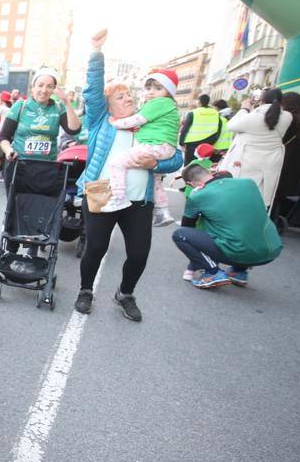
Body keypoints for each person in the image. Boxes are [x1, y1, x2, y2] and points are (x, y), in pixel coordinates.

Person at [72, 29, 184, 321]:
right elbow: (93, 90)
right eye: (120, 97)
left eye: (129, 96)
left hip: (139, 200)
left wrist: (155, 166)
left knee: (138, 253)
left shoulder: (148, 125)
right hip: (101, 192)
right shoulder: (101, 121)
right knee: (95, 247)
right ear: (109, 105)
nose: (129, 100)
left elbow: (176, 157)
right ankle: (86, 290)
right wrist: (96, 52)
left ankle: (125, 293)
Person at [0, 64, 83, 245]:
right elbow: (4, 137)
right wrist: (8, 150)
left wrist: (67, 103)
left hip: (46, 168)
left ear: (54, 89)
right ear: (33, 86)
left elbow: (74, 130)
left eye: (49, 86)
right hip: (19, 166)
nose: (44, 90)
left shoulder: (57, 108)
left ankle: (33, 248)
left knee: (40, 208)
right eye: (40, 85)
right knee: (15, 206)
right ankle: (11, 246)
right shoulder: (20, 106)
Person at [172, 163, 282, 288]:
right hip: (271, 250)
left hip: (240, 252)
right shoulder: (248, 183)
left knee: (180, 235)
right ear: (209, 172)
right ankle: (238, 272)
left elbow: (187, 227)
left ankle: (213, 272)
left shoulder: (198, 195)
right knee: (241, 222)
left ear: (192, 183)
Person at [101, 69, 180, 220]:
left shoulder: (158, 104)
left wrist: (117, 123)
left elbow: (137, 120)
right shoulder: (99, 123)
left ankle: (118, 198)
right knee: (157, 179)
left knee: (117, 162)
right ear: (108, 105)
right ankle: (163, 211)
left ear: (169, 91)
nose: (151, 92)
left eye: (158, 88)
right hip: (163, 147)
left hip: (155, 150)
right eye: (149, 88)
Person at [218, 88, 292, 213]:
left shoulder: (254, 117)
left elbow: (231, 125)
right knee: (260, 195)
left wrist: (244, 109)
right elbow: (271, 116)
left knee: (239, 193)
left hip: (247, 160)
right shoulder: (288, 117)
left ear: (262, 100)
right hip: (270, 162)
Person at [271, 92, 300, 218]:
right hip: (297, 159)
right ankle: (277, 216)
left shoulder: (289, 118)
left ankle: (271, 216)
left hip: (284, 155)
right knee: (282, 191)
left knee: (274, 188)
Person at [179, 93, 222, 164]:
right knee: (203, 163)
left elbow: (185, 128)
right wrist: (214, 140)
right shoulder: (215, 113)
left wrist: (181, 142)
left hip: (192, 143)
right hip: (208, 142)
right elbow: (219, 128)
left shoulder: (193, 113)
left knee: (190, 164)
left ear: (199, 102)